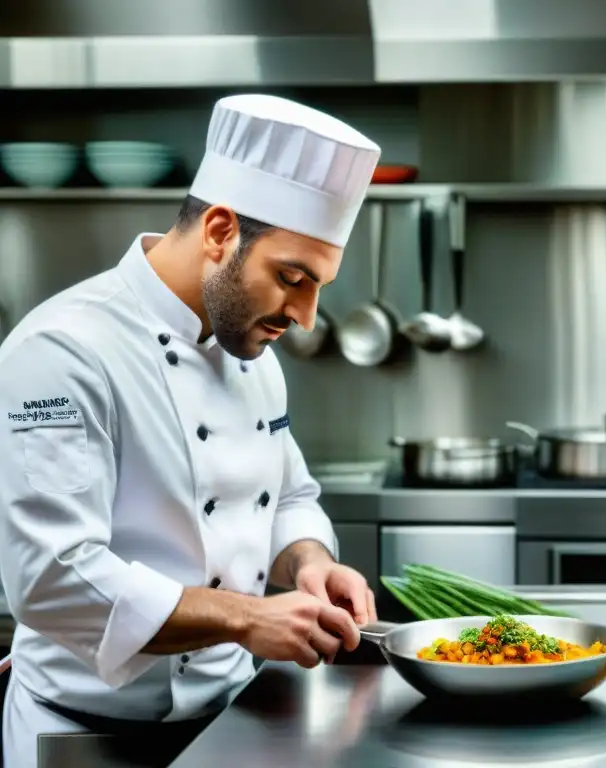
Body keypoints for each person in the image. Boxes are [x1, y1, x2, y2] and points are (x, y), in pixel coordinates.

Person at [0, 94, 382, 766]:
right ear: (218, 231)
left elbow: (289, 496)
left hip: (231, 724)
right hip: (83, 738)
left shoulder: (250, 352)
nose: (307, 316)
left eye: (317, 285)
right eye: (292, 278)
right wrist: (245, 617)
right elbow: (52, 578)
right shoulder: (64, 351)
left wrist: (311, 565)